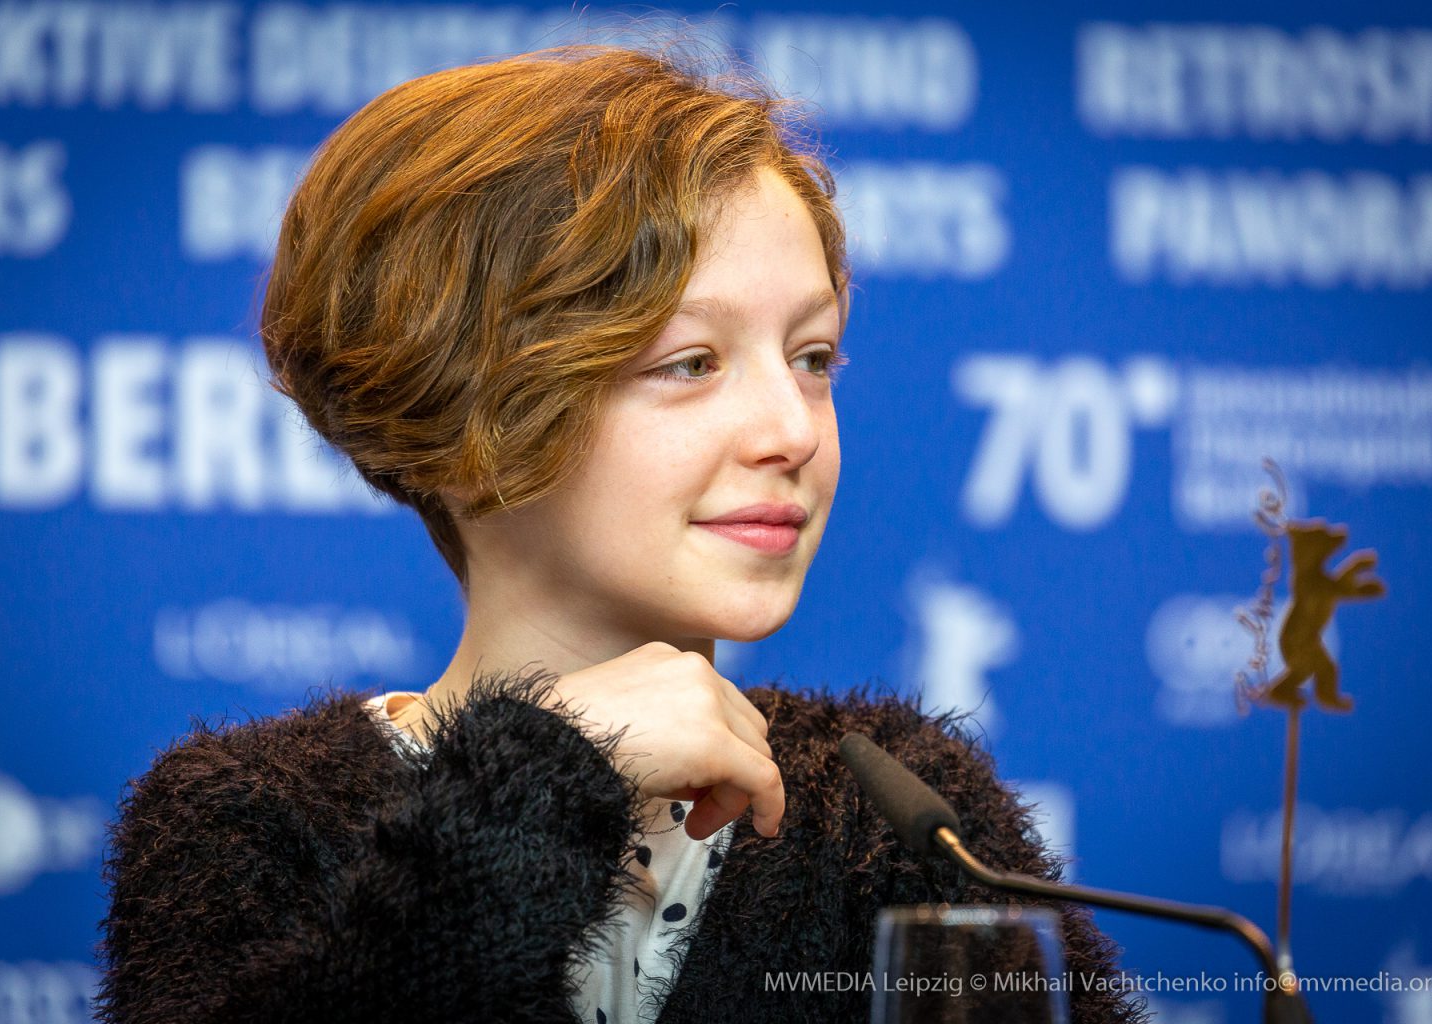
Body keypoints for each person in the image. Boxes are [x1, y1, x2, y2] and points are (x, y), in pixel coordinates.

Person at [96, 45, 1145, 1024]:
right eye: (690, 363)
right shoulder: (241, 815)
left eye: (814, 358)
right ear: (466, 418)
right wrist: (548, 771)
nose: (793, 430)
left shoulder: (902, 813)